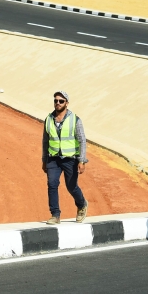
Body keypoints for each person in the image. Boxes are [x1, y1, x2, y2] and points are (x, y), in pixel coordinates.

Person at [42, 90, 88, 224]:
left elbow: (82, 140)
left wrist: (82, 160)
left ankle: (81, 204)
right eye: (56, 100)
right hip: (53, 158)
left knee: (71, 186)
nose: (58, 103)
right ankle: (55, 215)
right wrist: (44, 160)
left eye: (61, 101)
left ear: (66, 103)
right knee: (52, 184)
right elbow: (45, 141)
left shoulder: (75, 120)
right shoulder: (49, 119)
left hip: (70, 159)